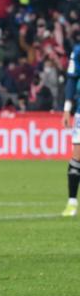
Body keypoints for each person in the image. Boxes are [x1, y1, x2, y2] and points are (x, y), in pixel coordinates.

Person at [62, 41, 80, 217]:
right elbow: (71, 80)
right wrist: (67, 109)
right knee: (77, 154)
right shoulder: (78, 51)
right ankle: (72, 202)